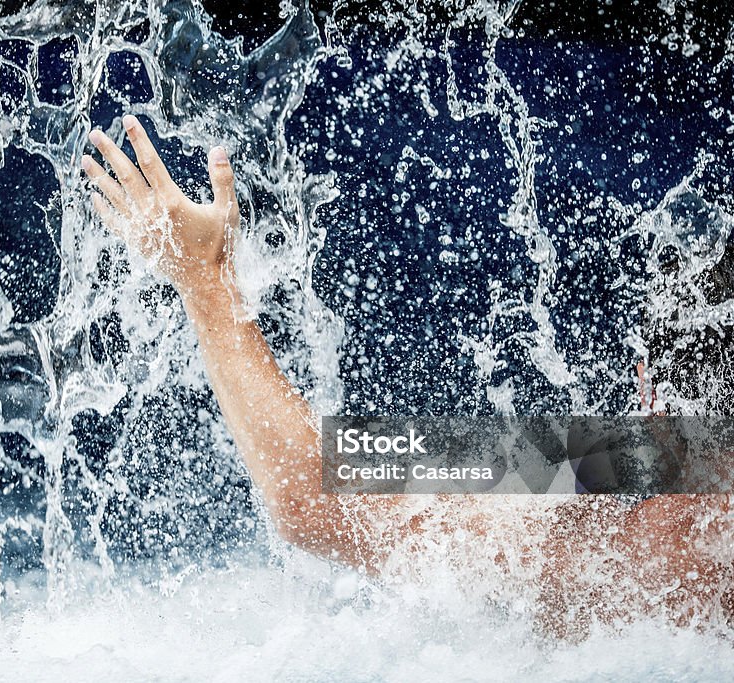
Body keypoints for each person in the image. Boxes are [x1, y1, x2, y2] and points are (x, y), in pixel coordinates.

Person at [81, 114, 732, 634]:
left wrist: (208, 285)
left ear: (649, 388)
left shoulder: (658, 551)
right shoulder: (623, 461)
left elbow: (313, 491)